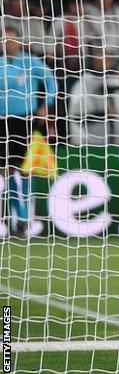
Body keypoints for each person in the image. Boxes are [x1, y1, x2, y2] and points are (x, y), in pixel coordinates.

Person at [1, 22, 56, 236]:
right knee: (6, 171)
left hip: (26, 120)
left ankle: (26, 215)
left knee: (25, 169)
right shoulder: (0, 64)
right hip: (2, 121)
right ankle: (19, 214)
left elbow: (51, 83)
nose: (8, 43)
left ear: (20, 42)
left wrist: (45, 106)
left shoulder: (31, 62)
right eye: (4, 40)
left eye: (12, 39)